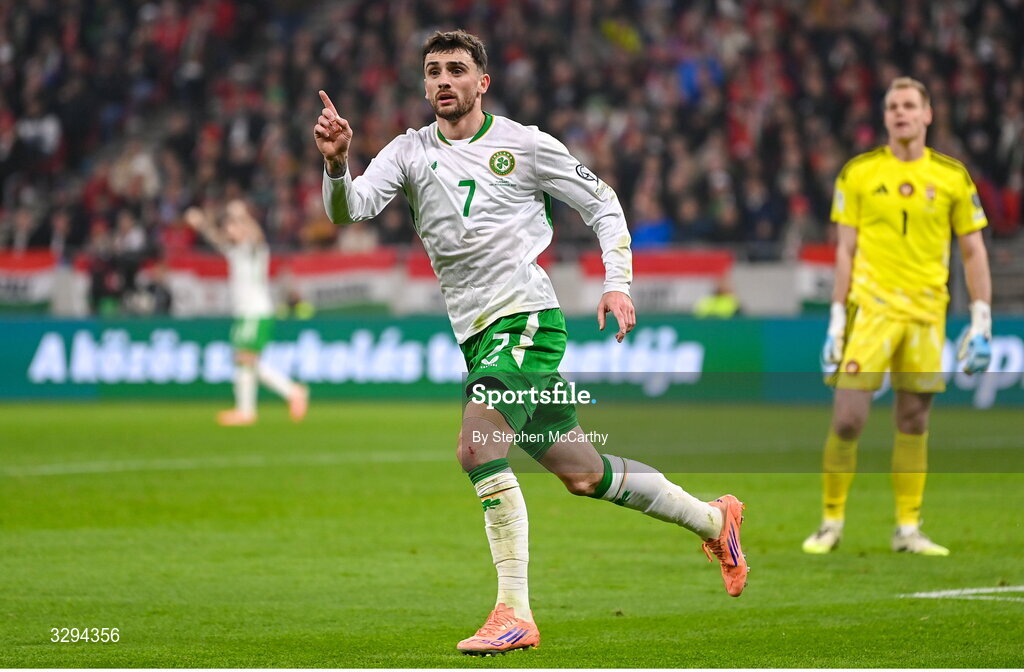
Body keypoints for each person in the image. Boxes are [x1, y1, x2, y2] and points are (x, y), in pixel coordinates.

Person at [314, 30, 747, 655]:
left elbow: (602, 203)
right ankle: (714, 519)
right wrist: (335, 162)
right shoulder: (407, 152)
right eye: (433, 70)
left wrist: (618, 284)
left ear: (481, 83)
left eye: (456, 70)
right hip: (477, 334)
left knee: (476, 446)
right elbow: (346, 210)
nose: (442, 80)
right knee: (583, 473)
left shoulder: (523, 144)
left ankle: (513, 611)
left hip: (525, 320)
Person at [804, 77, 992, 556]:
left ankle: (908, 528)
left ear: (928, 114)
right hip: (870, 310)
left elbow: (973, 252)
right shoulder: (859, 173)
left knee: (913, 420)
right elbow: (844, 250)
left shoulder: (952, 177)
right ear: (885, 117)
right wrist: (835, 319)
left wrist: (982, 319)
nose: (901, 113)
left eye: (910, 105)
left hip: (928, 313)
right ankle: (830, 522)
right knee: (848, 419)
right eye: (892, 106)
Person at [184, 201, 309, 426]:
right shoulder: (235, 251)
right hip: (244, 312)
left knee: (245, 358)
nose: (230, 230)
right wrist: (201, 223)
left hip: (256, 311)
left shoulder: (254, 249)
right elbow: (215, 238)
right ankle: (272, 399)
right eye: (229, 226)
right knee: (245, 360)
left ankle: (265, 403)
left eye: (234, 226)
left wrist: (244, 215)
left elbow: (257, 235)